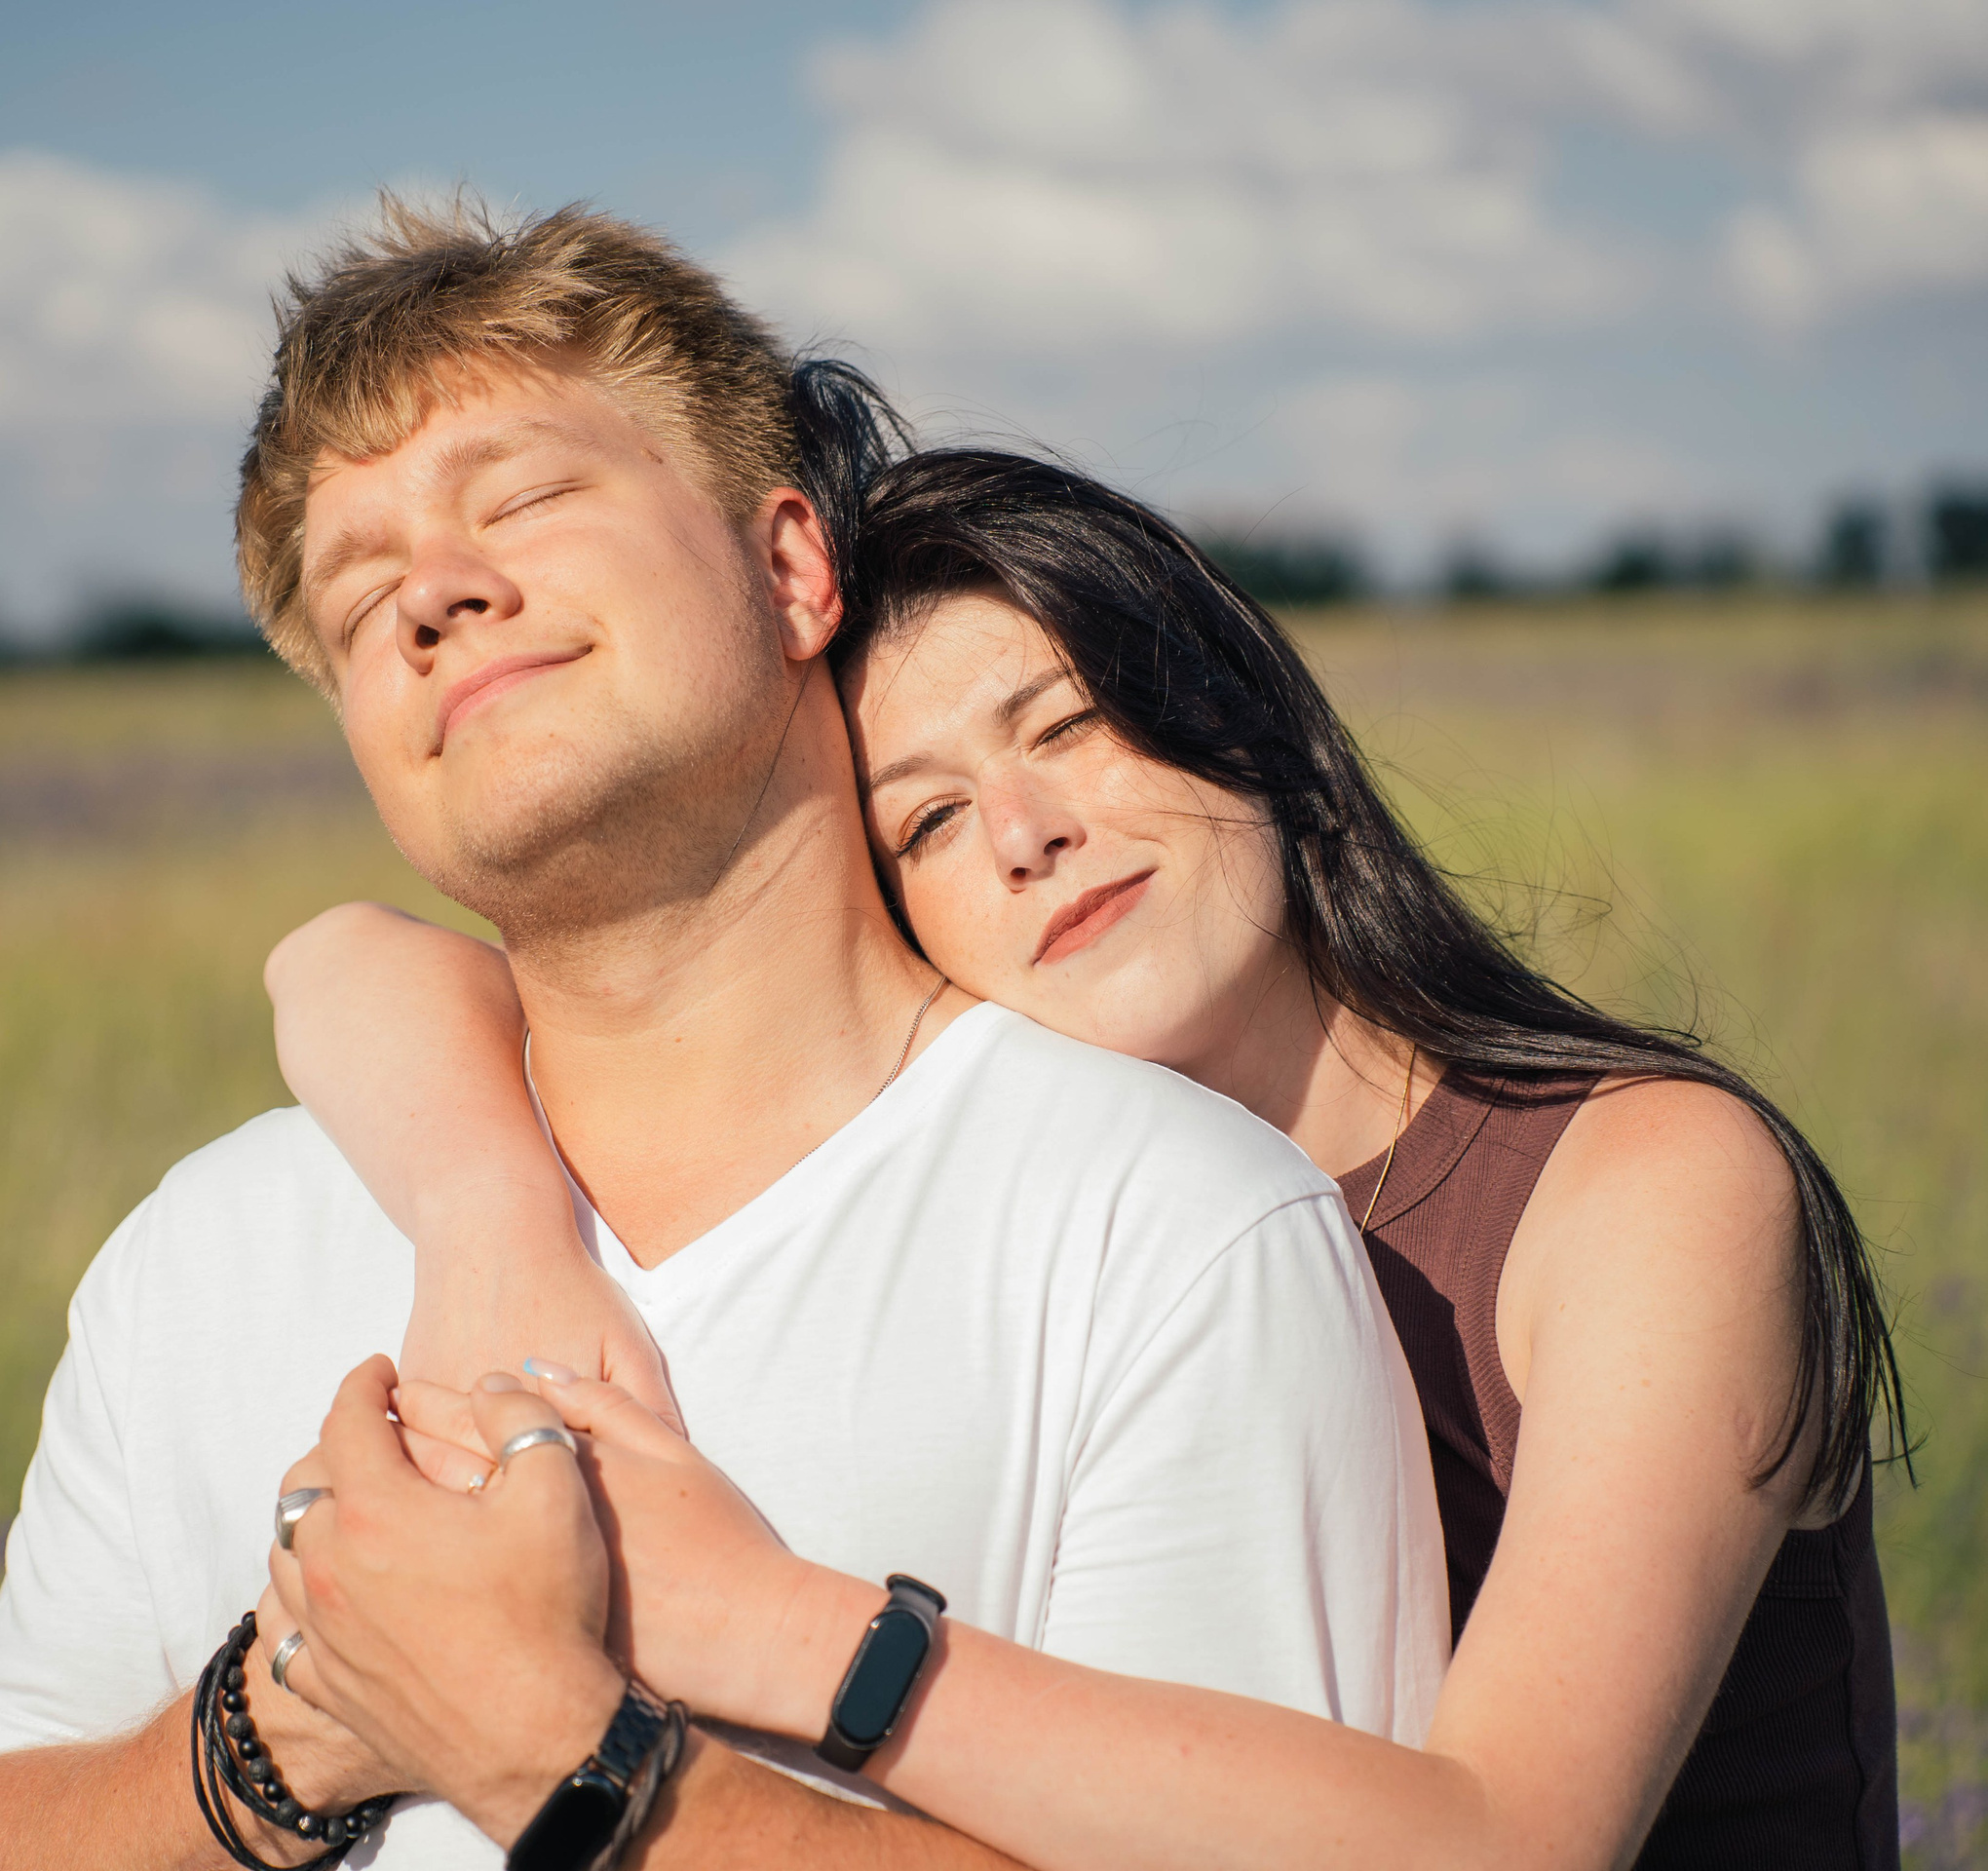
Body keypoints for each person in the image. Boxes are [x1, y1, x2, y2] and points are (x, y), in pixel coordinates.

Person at [0, 202, 1447, 1871]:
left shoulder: (1172, 1234)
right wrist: (297, 1720)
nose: (432, 592)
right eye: (358, 603)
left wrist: (556, 1753)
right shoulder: (193, 1258)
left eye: (526, 498)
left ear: (788, 568)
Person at [260, 433, 1907, 1867]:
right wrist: (496, 1229)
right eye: (924, 820)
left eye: (1064, 724)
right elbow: (342, 962)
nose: (1028, 834)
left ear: (1224, 702)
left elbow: (1503, 1845)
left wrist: (753, 1625)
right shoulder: (1093, 1228)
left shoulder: (1644, 1185)